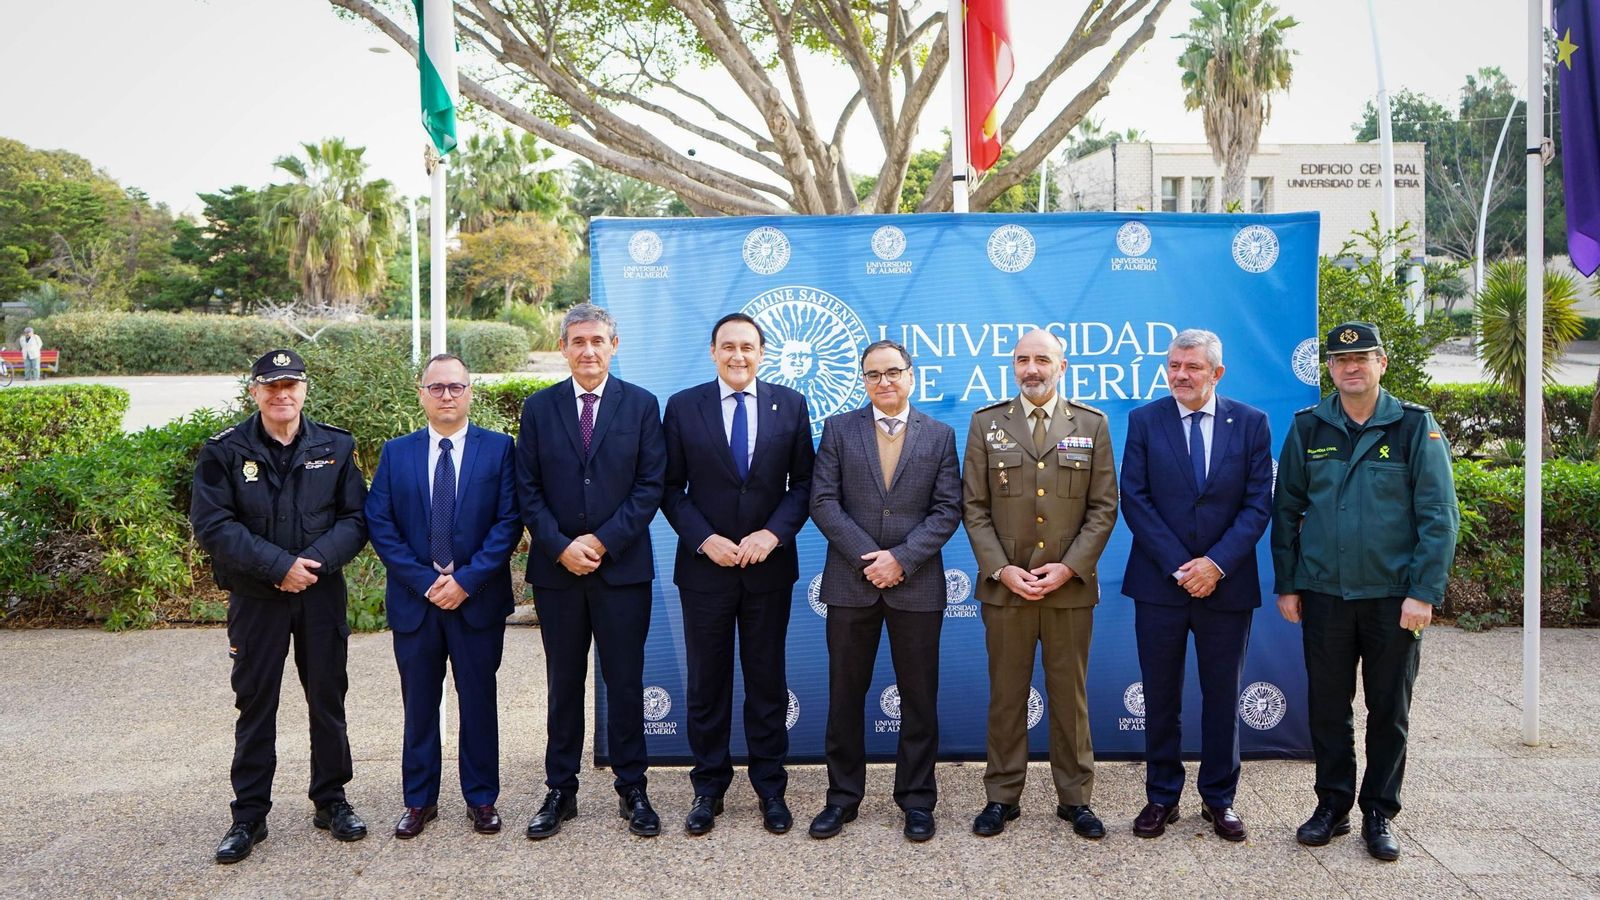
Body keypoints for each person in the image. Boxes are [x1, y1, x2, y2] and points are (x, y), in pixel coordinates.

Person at [1272, 321, 1459, 861]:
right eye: (1340, 360)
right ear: (1329, 369)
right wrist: (1289, 583)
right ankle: (1332, 805)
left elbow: (1439, 514)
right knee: (1328, 708)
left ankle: (1379, 810)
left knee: (1388, 710)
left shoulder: (1413, 426)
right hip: (1325, 594)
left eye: (1362, 358)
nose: (1350, 367)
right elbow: (1286, 510)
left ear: (1382, 363)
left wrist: (1423, 592)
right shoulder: (1309, 427)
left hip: (1393, 597)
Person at [189, 348, 370, 864]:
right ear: (255, 392)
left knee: (328, 700)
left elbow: (356, 518)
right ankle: (249, 815)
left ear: (304, 390)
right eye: (271, 386)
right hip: (256, 599)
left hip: (319, 594)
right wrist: (278, 567)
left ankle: (331, 801)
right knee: (255, 706)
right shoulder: (225, 451)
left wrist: (313, 562)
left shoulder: (335, 446)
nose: (281, 394)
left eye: (291, 385)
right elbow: (213, 525)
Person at [515, 303, 666, 840]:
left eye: (597, 340)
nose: (588, 350)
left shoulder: (641, 405)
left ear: (613, 346)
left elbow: (650, 485)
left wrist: (601, 541)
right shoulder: (539, 408)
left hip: (621, 569)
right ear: (563, 348)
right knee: (563, 683)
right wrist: (560, 547)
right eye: (577, 341)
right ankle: (561, 789)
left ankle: (633, 788)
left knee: (625, 682)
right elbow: (527, 488)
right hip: (558, 573)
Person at [661, 313, 815, 837]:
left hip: (768, 570)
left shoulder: (790, 404)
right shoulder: (683, 406)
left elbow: (805, 484)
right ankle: (708, 788)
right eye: (728, 346)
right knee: (707, 684)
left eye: (747, 346)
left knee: (767, 682)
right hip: (705, 570)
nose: (738, 355)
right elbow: (669, 487)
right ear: (713, 352)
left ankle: (771, 788)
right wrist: (704, 539)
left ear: (762, 353)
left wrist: (772, 535)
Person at [961, 328, 1118, 840]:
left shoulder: (1091, 424)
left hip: (1068, 589)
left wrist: (1069, 568)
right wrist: (1002, 569)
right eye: (1022, 360)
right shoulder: (986, 423)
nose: (1031, 369)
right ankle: (1002, 797)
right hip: (1006, 588)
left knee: (1070, 698)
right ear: (1013, 366)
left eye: (1042, 360)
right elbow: (974, 508)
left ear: (1061, 366)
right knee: (1006, 696)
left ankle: (1076, 799)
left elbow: (1103, 507)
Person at [1119, 329, 1273, 842]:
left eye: (1193, 367)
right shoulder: (1145, 420)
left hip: (1226, 586)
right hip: (1160, 585)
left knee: (1222, 697)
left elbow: (1258, 503)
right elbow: (1135, 498)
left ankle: (1219, 799)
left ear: (1217, 373)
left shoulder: (1250, 422)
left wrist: (1215, 565)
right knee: (1160, 696)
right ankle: (1161, 796)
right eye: (1174, 366)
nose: (1180, 375)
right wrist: (1182, 566)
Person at [807, 340, 962, 843]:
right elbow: (823, 501)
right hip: (851, 584)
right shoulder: (838, 429)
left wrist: (902, 559)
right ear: (864, 381)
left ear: (911, 375)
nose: (884, 382)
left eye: (893, 372)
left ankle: (916, 800)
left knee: (918, 698)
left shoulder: (939, 435)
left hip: (916, 585)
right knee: (844, 697)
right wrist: (870, 558)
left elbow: (948, 509)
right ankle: (841, 797)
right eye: (873, 374)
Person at [364, 354, 521, 839]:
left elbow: (508, 521)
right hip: (417, 602)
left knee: (478, 702)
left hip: (477, 600)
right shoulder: (397, 452)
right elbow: (380, 523)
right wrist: (425, 581)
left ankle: (482, 798)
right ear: (422, 395)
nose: (446, 395)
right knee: (419, 705)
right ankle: (419, 801)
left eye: (456, 387)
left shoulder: (499, 449)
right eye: (437, 387)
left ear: (470, 392)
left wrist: (466, 581)